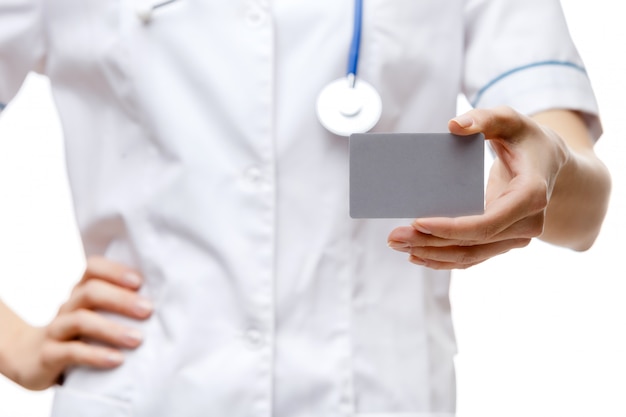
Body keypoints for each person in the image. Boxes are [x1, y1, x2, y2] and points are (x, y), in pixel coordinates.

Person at [0, 0, 611, 416]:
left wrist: (549, 168)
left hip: (381, 396)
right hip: (151, 387)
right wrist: (18, 346)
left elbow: (583, 209)